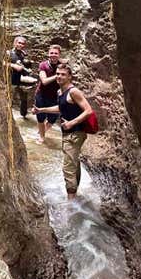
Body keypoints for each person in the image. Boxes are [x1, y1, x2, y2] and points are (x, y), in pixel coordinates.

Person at [33, 63, 93, 200]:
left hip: (75, 133)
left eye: (63, 74)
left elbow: (89, 110)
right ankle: (76, 193)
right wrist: (41, 110)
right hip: (68, 133)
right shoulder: (60, 92)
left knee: (68, 168)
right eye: (58, 74)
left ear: (69, 77)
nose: (59, 76)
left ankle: (71, 203)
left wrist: (72, 122)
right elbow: (60, 108)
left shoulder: (73, 92)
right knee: (73, 162)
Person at [33, 45, 62, 143]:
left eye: (56, 53)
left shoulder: (62, 66)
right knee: (40, 116)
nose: (53, 55)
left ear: (59, 55)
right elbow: (44, 81)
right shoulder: (43, 65)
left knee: (52, 119)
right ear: (48, 54)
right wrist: (57, 75)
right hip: (42, 95)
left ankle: (41, 132)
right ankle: (41, 136)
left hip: (55, 97)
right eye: (51, 53)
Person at [7, 36, 37, 117]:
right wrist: (13, 66)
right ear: (15, 43)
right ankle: (7, 117)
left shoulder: (22, 54)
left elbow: (22, 65)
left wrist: (27, 70)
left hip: (20, 80)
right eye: (19, 43)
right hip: (10, 81)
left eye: (23, 44)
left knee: (24, 99)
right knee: (9, 100)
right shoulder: (8, 53)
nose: (21, 45)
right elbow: (2, 63)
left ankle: (23, 116)